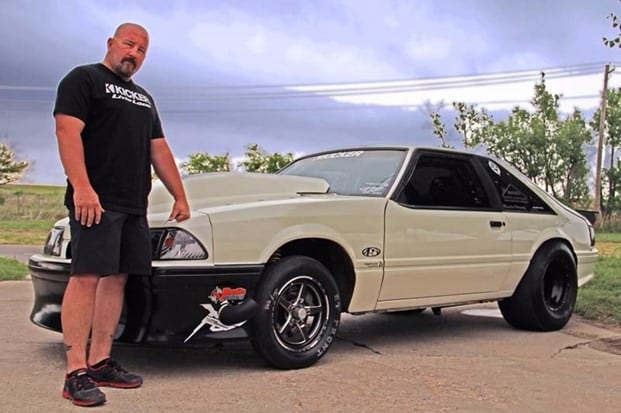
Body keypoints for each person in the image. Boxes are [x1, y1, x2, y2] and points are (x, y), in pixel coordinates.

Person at [53, 22, 190, 407]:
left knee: (116, 280)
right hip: (95, 200)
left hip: (133, 204)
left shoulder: (144, 98)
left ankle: (99, 361)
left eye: (143, 50)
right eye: (129, 44)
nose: (134, 53)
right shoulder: (84, 79)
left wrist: (180, 195)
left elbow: (159, 149)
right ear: (111, 43)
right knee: (85, 277)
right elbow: (67, 132)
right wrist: (82, 187)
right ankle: (75, 371)